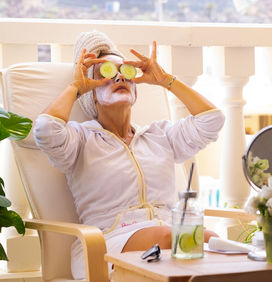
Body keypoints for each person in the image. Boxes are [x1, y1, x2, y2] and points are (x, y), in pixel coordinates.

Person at [33, 31, 224, 280]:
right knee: (187, 239)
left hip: (169, 240)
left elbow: (212, 120)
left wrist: (165, 80)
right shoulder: (80, 140)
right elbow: (46, 129)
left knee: (218, 246)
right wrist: (76, 87)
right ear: (91, 93)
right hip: (106, 246)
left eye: (125, 71)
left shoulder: (160, 136)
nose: (119, 76)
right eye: (107, 73)